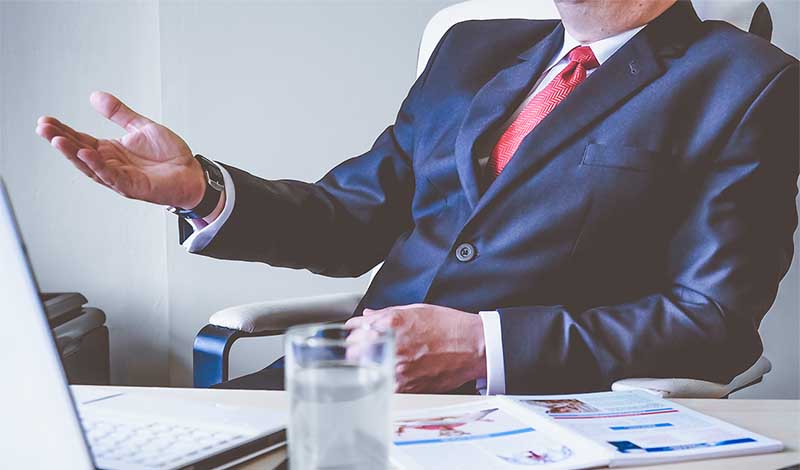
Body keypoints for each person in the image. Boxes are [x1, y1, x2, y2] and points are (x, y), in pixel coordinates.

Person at [36, 0, 798, 395]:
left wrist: (482, 347)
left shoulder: (749, 81)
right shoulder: (474, 49)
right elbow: (349, 220)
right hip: (342, 388)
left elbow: (713, 320)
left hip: (532, 413)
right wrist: (204, 189)